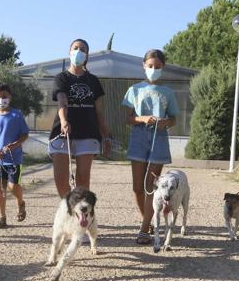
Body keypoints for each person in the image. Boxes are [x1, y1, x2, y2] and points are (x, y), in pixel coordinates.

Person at [122, 49, 180, 245]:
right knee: (137, 188)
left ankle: (144, 228)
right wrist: (142, 118)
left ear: (162, 68)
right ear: (144, 66)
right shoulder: (134, 90)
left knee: (149, 187)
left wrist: (165, 123)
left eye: (157, 67)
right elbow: (128, 118)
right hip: (138, 138)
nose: (153, 69)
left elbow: (173, 119)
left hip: (159, 140)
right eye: (150, 66)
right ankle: (147, 222)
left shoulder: (168, 93)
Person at [48, 38, 111, 199]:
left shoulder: (93, 81)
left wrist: (105, 135)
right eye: (76, 48)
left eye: (83, 49)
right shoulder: (61, 78)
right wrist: (63, 120)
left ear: (87, 55)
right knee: (61, 179)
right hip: (63, 132)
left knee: (83, 178)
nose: (79, 51)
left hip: (88, 132)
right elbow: (62, 101)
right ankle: (70, 208)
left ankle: (82, 213)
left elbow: (99, 110)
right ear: (69, 52)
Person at [0, 83, 29, 229]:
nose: (1, 99)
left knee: (12, 185)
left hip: (14, 159)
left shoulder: (17, 114)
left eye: (4, 97)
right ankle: (2, 218)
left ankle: (20, 202)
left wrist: (14, 145)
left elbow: (25, 134)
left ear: (10, 97)